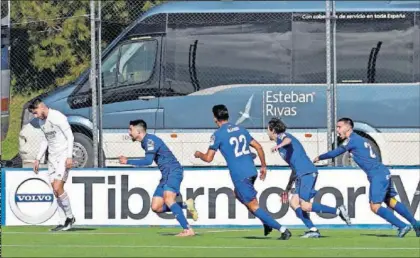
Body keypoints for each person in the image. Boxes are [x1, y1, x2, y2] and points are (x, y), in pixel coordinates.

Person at [194, 105, 292, 240]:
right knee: (238, 194)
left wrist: (199, 154)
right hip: (251, 171)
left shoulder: (218, 135)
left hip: (240, 175)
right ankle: (266, 223)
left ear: (215, 118)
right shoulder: (241, 129)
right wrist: (263, 166)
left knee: (253, 206)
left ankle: (283, 230)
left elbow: (209, 158)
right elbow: (258, 146)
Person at [314, 117, 420, 238]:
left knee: (375, 206)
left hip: (377, 175)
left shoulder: (351, 140)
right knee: (391, 201)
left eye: (339, 127)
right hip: (382, 172)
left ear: (348, 127)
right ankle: (416, 224)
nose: (337, 130)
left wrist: (319, 157)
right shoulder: (359, 139)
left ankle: (402, 226)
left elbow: (335, 152)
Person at [268, 118, 351, 238]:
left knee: (305, 205)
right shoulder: (280, 145)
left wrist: (279, 145)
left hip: (307, 172)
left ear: (273, 130)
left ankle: (338, 211)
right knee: (293, 202)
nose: (267, 132)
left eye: (268, 129)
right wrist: (287, 189)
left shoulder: (282, 137)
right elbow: (294, 168)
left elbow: (288, 140)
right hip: (301, 174)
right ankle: (313, 229)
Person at [119, 119, 198, 237]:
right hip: (166, 175)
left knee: (168, 199)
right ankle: (186, 205)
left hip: (173, 172)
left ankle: (187, 229)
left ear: (139, 131)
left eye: (131, 129)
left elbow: (148, 161)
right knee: (156, 207)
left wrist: (127, 161)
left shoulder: (150, 141)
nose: (129, 132)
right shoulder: (144, 142)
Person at [29, 98, 75, 231]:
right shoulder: (41, 121)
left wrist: (69, 156)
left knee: (58, 186)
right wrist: (38, 158)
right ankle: (62, 221)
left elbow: (70, 136)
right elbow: (45, 140)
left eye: (35, 112)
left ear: (42, 107)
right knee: (55, 191)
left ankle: (70, 217)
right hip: (52, 158)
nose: (35, 115)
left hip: (63, 156)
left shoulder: (58, 117)